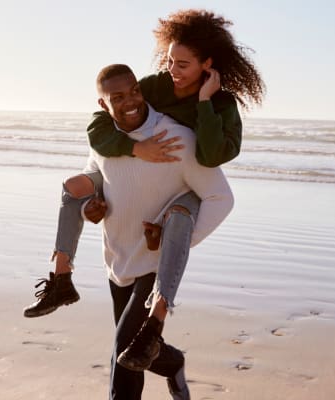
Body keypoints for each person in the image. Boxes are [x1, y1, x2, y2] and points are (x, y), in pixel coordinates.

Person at [23, 8, 264, 374]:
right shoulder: (154, 86)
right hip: (139, 207)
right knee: (129, 343)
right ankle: (63, 278)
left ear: (208, 65)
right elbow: (103, 122)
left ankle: (156, 326)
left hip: (189, 189)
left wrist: (203, 101)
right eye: (170, 60)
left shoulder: (221, 103)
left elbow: (213, 155)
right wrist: (135, 151)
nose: (173, 70)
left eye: (183, 64)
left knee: (126, 347)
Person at [84, 64, 233, 399]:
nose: (130, 101)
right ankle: (171, 361)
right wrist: (88, 204)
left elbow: (220, 198)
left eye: (134, 91)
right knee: (136, 351)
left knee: (123, 358)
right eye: (117, 97)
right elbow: (94, 173)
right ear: (103, 104)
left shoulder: (175, 139)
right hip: (117, 260)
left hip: (153, 267)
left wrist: (174, 246)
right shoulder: (104, 139)